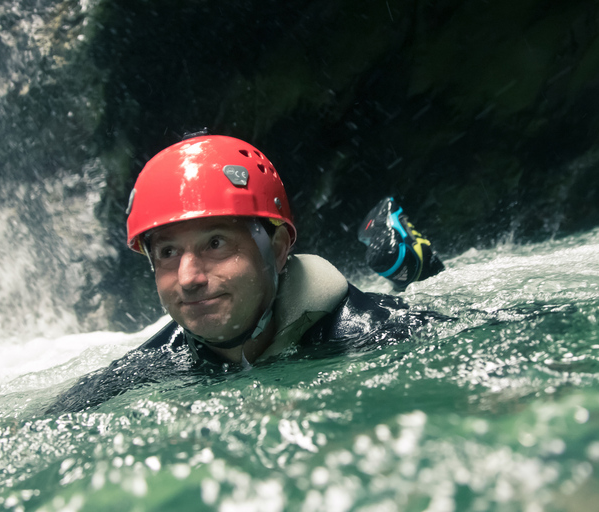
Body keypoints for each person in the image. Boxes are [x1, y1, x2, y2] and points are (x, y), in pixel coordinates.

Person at [46, 135, 444, 415]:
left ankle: (408, 257)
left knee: (430, 285)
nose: (188, 278)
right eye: (168, 252)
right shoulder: (159, 360)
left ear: (277, 246)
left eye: (215, 243)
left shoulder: (379, 329)